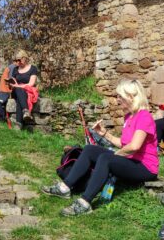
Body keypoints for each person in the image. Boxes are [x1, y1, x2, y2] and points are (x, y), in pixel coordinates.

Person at [41, 79, 158, 216]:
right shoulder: (129, 116)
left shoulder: (144, 116)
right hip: (131, 160)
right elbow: (125, 144)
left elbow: (134, 146)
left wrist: (116, 154)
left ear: (131, 97)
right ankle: (64, 188)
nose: (117, 99)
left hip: (145, 167)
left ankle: (85, 203)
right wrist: (105, 134)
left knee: (105, 158)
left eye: (120, 96)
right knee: (90, 149)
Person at [7, 50, 39, 127]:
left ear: (25, 58)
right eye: (16, 60)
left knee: (20, 97)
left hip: (28, 91)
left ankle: (19, 124)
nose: (18, 62)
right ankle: (25, 110)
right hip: (16, 91)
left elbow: (31, 84)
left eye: (19, 60)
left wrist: (19, 86)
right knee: (19, 90)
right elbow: (14, 83)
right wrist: (11, 83)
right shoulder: (15, 69)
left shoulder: (33, 68)